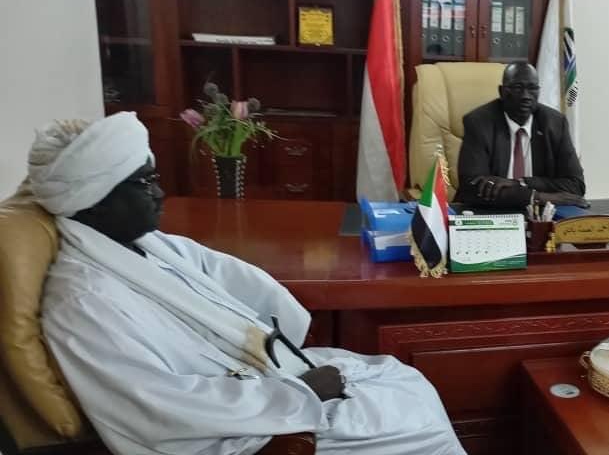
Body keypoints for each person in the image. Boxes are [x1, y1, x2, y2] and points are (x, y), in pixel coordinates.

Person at [29, 113, 466, 455]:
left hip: (252, 381)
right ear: (94, 201)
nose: (159, 193)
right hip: (228, 432)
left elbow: (228, 276)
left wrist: (284, 340)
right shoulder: (83, 301)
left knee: (402, 379)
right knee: (413, 423)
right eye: (143, 183)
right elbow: (155, 405)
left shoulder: (144, 244)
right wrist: (299, 390)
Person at [455, 62, 587, 209]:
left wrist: (520, 183)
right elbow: (472, 188)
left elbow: (576, 186)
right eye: (518, 88)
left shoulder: (555, 123)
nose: (526, 96)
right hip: (490, 213)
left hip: (540, 216)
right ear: (502, 92)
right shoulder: (479, 122)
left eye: (532, 88)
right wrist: (537, 197)